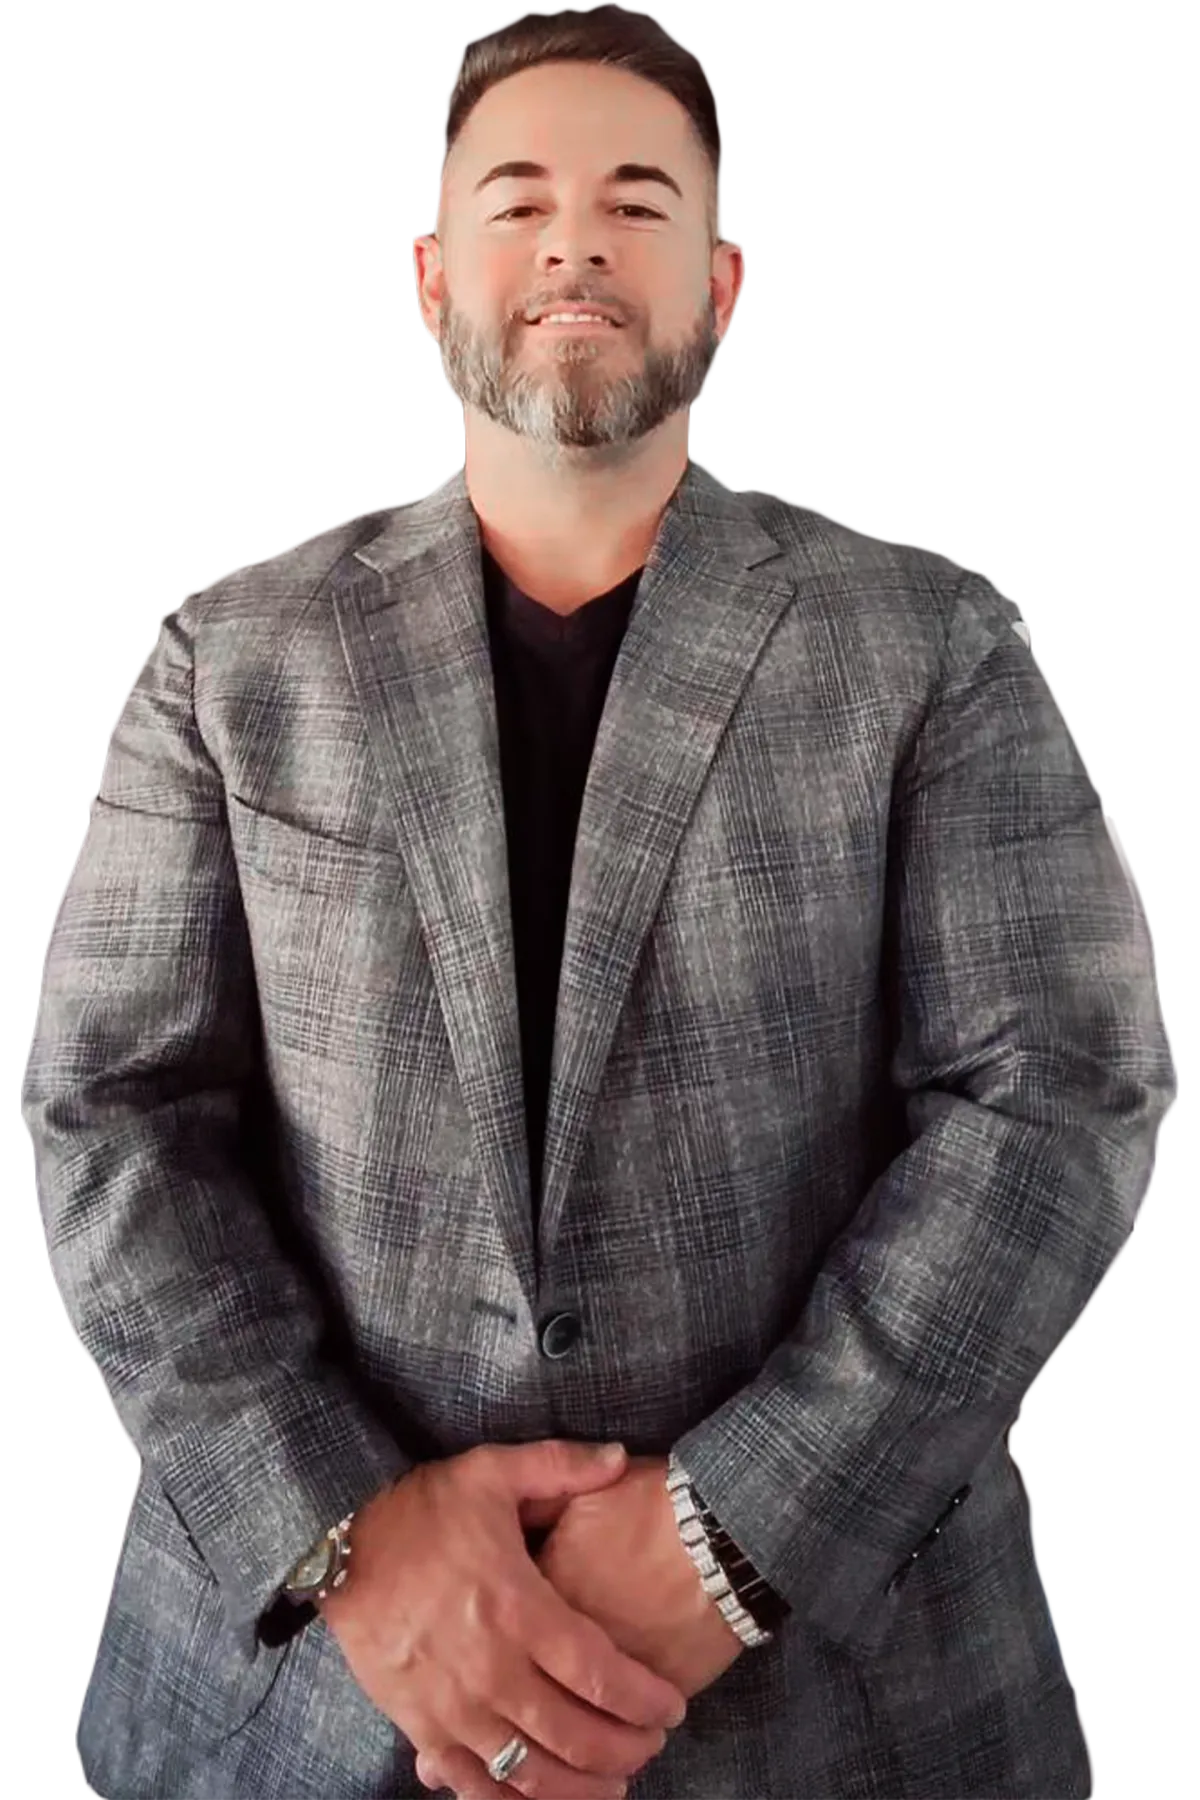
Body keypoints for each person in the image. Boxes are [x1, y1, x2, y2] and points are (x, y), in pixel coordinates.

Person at [19, 5, 1178, 1799]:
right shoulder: (226, 657)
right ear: (428, 279)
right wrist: (348, 1533)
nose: (576, 244)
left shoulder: (927, 643)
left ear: (724, 286)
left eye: (638, 205)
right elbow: (113, 1110)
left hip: (836, 1702)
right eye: (518, 203)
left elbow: (1061, 1094)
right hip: (314, 1695)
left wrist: (733, 1532)